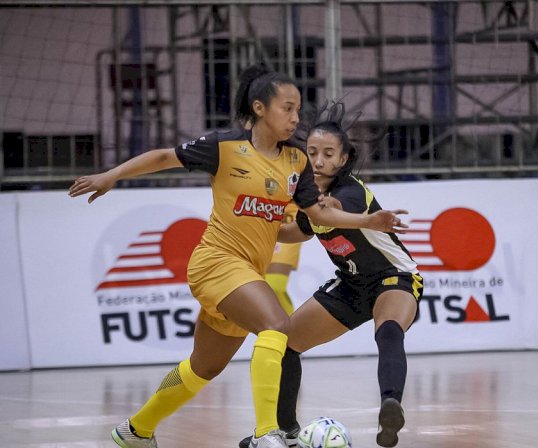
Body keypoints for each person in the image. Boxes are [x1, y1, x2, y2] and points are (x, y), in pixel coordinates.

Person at [68, 65, 407, 448]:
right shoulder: (225, 146)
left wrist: (369, 220)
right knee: (278, 326)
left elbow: (317, 215)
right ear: (260, 108)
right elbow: (164, 156)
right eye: (288, 108)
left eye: (298, 110)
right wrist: (111, 175)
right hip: (215, 261)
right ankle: (267, 434)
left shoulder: (296, 161)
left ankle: (135, 430)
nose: (296, 118)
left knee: (203, 368)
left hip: (246, 272)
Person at [239, 101, 423, 448]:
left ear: (342, 159)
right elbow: (299, 231)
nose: (319, 160)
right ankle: (287, 430)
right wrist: (259, 224)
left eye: (328, 154)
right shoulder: (310, 198)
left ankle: (390, 404)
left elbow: (333, 210)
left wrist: (316, 205)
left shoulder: (349, 192)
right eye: (312, 152)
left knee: (388, 331)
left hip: (393, 276)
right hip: (352, 284)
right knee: (286, 343)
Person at [267, 202, 302, 316]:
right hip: (262, 212)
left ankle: (292, 328)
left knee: (274, 285)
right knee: (260, 286)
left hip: (291, 213)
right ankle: (278, 328)